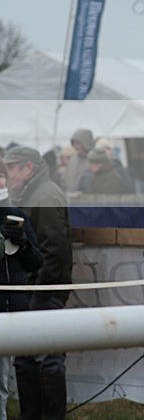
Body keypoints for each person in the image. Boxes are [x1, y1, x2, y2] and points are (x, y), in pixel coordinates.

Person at [3, 146, 73, 419]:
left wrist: (38, 292)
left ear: (27, 168)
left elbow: (54, 251)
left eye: (10, 168)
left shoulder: (45, 195)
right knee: (26, 359)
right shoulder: (35, 193)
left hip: (43, 290)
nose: (7, 176)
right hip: (34, 289)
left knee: (46, 359)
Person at [0, 160, 43, 420]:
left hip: (10, 307)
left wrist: (23, 243)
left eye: (1, 176)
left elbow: (35, 262)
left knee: (2, 383)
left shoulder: (18, 216)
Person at [61, 128, 94, 194]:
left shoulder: (94, 159)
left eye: (78, 143)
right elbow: (65, 179)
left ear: (86, 142)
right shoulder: (73, 160)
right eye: (74, 143)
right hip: (71, 199)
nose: (76, 146)